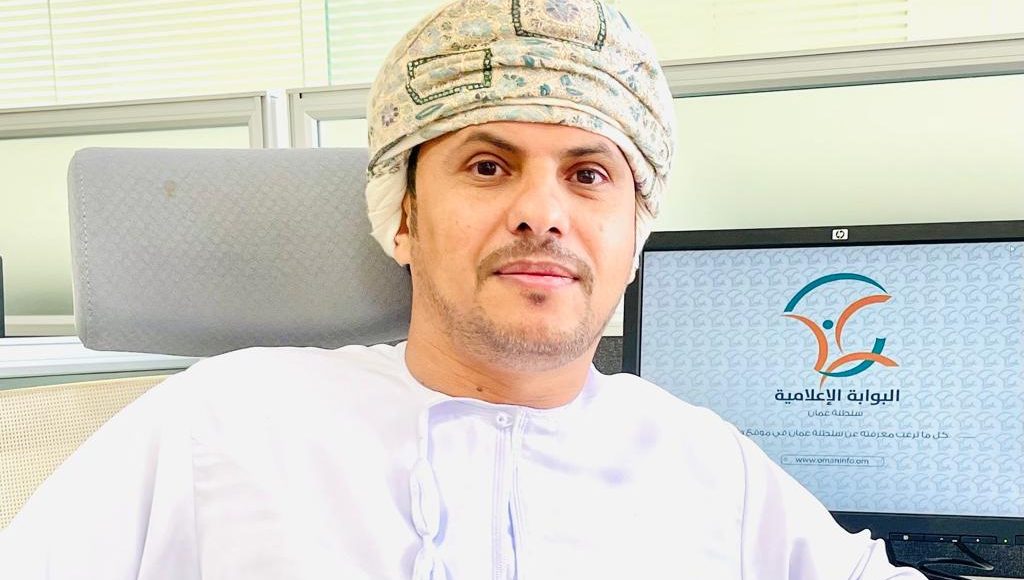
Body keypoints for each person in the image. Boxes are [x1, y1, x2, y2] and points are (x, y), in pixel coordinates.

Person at [0, 0, 925, 578]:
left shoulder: (704, 463)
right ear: (401, 218)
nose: (542, 214)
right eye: (488, 166)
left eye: (589, 175)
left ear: (634, 239)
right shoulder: (222, 422)